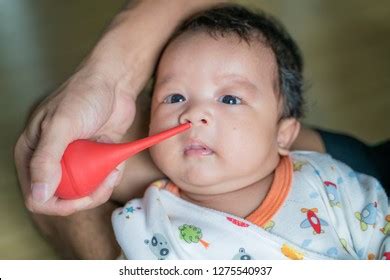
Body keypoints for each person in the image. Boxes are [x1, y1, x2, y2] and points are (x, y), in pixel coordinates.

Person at [13, 0, 388, 259]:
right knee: (49, 137)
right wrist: (104, 78)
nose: (194, 115)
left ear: (284, 134)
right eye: (174, 97)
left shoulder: (330, 184)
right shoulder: (145, 224)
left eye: (229, 99)